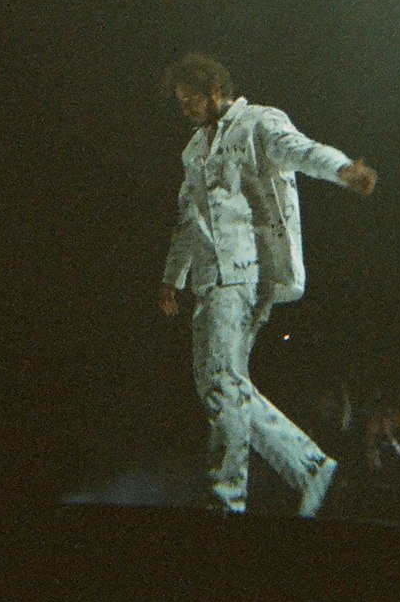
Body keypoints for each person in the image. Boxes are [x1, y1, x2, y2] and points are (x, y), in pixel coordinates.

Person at [159, 53, 376, 515]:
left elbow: (302, 150)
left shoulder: (258, 122)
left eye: (191, 99)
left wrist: (342, 170)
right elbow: (186, 218)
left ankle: (228, 498)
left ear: (215, 89)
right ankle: (310, 466)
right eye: (180, 104)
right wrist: (171, 279)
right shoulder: (193, 150)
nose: (186, 110)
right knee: (220, 383)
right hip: (207, 275)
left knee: (221, 381)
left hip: (248, 270)